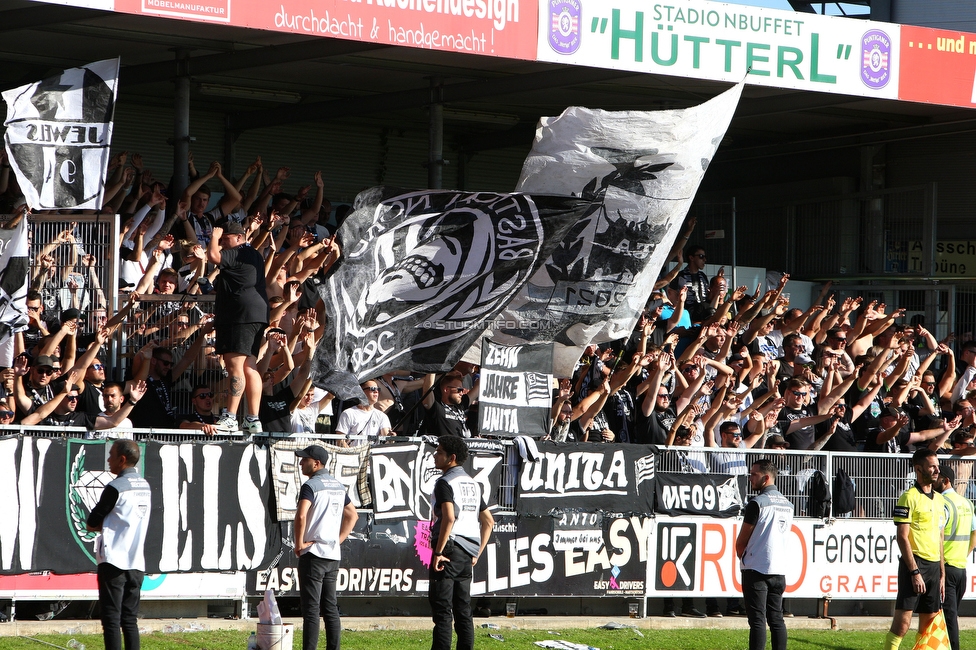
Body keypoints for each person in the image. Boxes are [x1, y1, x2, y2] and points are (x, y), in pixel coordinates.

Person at [429, 436, 494, 650]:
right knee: (463, 612)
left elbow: (449, 517)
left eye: (439, 452)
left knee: (443, 613)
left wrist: (438, 552)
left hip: (448, 548)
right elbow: (489, 521)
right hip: (467, 552)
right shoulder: (473, 484)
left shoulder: (445, 482)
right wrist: (477, 552)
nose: (435, 455)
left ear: (452, 458)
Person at [86, 439, 152, 650]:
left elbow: (91, 522)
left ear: (122, 459)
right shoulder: (145, 486)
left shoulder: (115, 487)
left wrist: (104, 525)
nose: (108, 460)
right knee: (130, 620)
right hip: (137, 563)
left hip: (114, 561)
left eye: (111, 455)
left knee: (112, 619)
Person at [294, 445, 358, 650]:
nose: (301, 462)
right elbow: (353, 515)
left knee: (311, 610)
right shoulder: (338, 485)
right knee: (330, 607)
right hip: (332, 554)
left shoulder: (311, 485)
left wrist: (299, 543)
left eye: (305, 459)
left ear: (316, 463)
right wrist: (338, 539)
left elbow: (301, 515)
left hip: (313, 553)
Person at [208, 222, 270, 435]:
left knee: (235, 366)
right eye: (222, 240)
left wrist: (214, 238)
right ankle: (253, 419)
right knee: (249, 366)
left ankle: (231, 417)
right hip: (256, 314)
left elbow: (215, 257)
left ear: (238, 237)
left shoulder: (237, 252)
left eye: (226, 239)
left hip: (239, 315)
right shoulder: (253, 254)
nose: (223, 244)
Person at [885, 448, 945, 650]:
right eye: (932, 466)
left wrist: (942, 574)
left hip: (934, 567)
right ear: (919, 469)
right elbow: (902, 537)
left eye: (937, 465)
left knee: (928, 627)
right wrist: (914, 572)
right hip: (915, 566)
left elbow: (940, 537)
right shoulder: (908, 497)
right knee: (902, 624)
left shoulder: (939, 499)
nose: (937, 470)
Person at [735, 458, 793, 650]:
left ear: (766, 478)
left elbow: (742, 539)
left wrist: (741, 554)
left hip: (757, 568)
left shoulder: (757, 503)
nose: (750, 478)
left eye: (754, 474)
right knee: (776, 618)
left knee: (758, 621)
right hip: (779, 569)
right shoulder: (788, 504)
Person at [937, 464, 974, 650]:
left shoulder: (941, 503)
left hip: (945, 567)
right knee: (949, 614)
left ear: (945, 480)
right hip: (961, 568)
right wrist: (965, 553)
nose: (933, 479)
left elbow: (938, 533)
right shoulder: (967, 502)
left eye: (937, 477)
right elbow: (974, 533)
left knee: (947, 616)